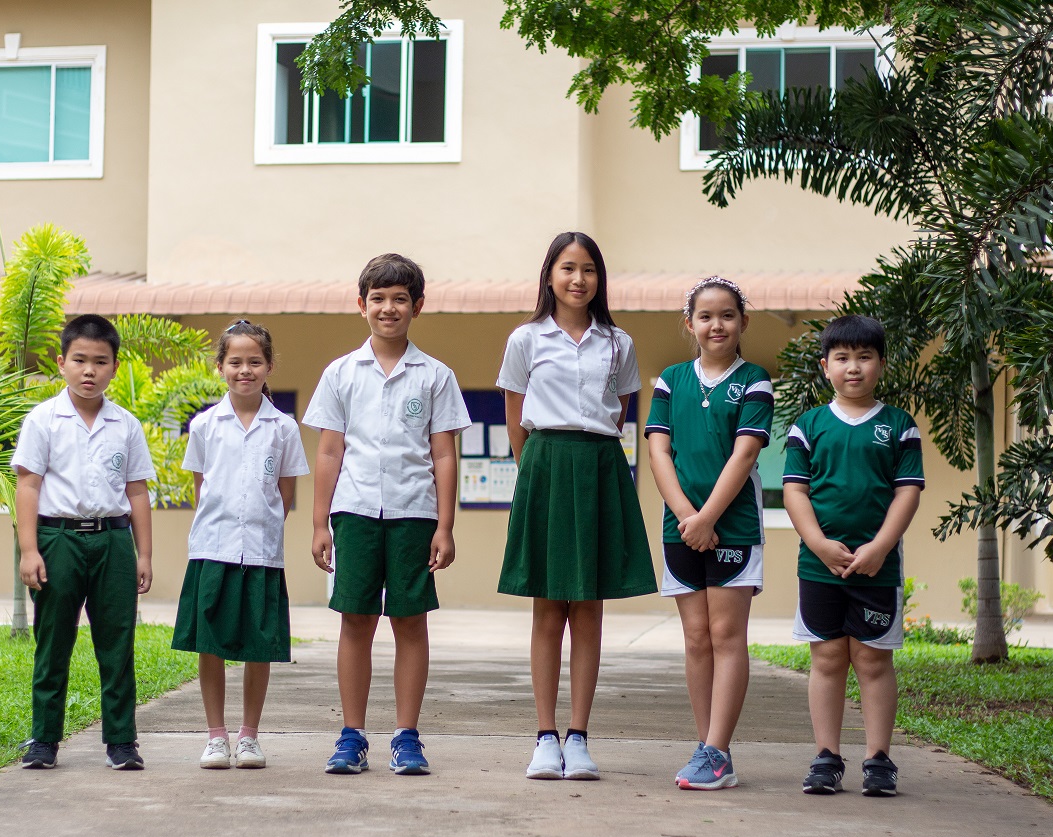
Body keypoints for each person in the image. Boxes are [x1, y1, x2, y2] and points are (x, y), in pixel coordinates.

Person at [496, 231, 656, 782]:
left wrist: (588, 463)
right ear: (549, 276)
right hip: (544, 462)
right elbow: (516, 416)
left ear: (599, 278)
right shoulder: (525, 339)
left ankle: (580, 737)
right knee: (547, 607)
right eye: (568, 268)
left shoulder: (619, 342)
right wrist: (535, 472)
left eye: (588, 269)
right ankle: (544, 737)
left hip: (600, 465)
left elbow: (621, 412)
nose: (578, 279)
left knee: (589, 608)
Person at [303, 253, 470, 776]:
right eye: (378, 298)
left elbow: (444, 454)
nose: (388, 308)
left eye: (400, 299)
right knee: (355, 619)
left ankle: (407, 736)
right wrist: (318, 522)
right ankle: (351, 736)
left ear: (417, 306)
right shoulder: (340, 373)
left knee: (409, 620)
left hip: (413, 513)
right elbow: (329, 452)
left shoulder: (436, 376)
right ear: (361, 305)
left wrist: (445, 525)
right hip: (353, 512)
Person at [782, 314, 923, 797]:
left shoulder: (899, 426)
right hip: (817, 566)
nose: (854, 368)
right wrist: (819, 544)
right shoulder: (808, 426)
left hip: (877, 568)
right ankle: (826, 757)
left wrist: (880, 546)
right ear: (826, 366)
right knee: (826, 658)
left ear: (881, 364)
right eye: (842, 358)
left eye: (864, 357)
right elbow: (795, 492)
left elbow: (907, 493)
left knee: (872, 659)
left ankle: (878, 759)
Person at [645, 276, 773, 791]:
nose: (715, 324)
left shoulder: (756, 380)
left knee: (725, 636)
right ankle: (708, 749)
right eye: (705, 315)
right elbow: (658, 450)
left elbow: (745, 455)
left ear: (742, 321)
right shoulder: (670, 380)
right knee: (696, 639)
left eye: (726, 315)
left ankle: (718, 749)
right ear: (689, 323)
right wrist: (685, 516)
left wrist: (707, 519)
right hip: (681, 528)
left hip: (733, 528)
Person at [13, 314, 156, 771]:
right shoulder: (44, 420)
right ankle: (43, 740)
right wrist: (30, 549)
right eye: (79, 360)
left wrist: (144, 554)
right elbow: (28, 486)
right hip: (59, 539)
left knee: (117, 641)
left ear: (115, 366)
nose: (89, 370)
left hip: (113, 542)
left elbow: (136, 491)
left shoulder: (126, 425)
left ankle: (121, 741)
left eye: (100, 361)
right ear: (61, 363)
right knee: (53, 640)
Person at [173, 320, 309, 769]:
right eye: (235, 362)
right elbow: (201, 488)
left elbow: (286, 495)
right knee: (209, 644)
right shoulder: (204, 425)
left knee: (259, 644)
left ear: (269, 366)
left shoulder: (283, 428)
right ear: (220, 367)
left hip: (263, 554)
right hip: (213, 549)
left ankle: (249, 736)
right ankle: (216, 736)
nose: (245, 370)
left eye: (255, 362)